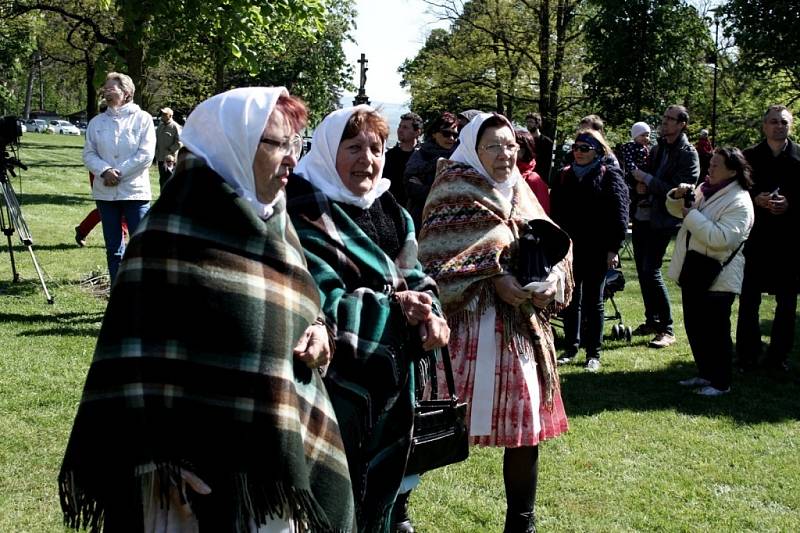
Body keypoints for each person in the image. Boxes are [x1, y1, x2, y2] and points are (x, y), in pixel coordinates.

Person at [60, 87, 355, 532]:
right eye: (276, 144)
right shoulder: (166, 235)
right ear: (230, 145)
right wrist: (161, 458)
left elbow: (302, 296)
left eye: (296, 143)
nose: (292, 158)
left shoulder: (276, 219)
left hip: (270, 462)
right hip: (185, 480)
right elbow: (136, 363)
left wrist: (319, 327)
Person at [286, 105, 450, 532]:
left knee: (380, 498)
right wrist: (394, 308)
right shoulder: (304, 210)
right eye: (353, 147)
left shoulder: (391, 208)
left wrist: (431, 311)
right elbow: (316, 298)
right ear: (325, 151)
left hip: (394, 379)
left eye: (376, 148)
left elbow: (414, 275)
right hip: (336, 384)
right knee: (334, 500)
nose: (368, 159)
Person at [418, 112, 573, 533]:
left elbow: (555, 243)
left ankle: (521, 521)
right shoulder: (452, 188)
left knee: (526, 427)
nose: (505, 154)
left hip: (518, 330)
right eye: (494, 146)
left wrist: (550, 279)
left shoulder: (521, 190)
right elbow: (434, 254)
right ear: (474, 147)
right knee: (429, 424)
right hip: (464, 329)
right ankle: (396, 506)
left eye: (510, 146)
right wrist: (493, 276)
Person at [667, 147, 754, 395]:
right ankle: (705, 374)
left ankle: (721, 383)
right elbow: (676, 210)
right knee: (696, 328)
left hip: (718, 277)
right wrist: (676, 195)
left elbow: (721, 239)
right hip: (694, 271)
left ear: (733, 171)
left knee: (716, 333)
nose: (710, 168)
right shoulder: (706, 190)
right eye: (711, 164)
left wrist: (691, 215)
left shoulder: (739, 201)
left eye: (716, 165)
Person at [551, 129, 629, 372]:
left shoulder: (609, 174)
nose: (578, 152)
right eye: (575, 147)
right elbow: (556, 212)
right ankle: (572, 347)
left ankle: (593, 352)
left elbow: (620, 214)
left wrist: (613, 248)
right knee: (571, 300)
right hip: (571, 248)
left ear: (597, 151)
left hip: (597, 247)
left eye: (584, 148)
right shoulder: (564, 175)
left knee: (595, 301)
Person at [736, 105, 800, 373]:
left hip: (790, 242)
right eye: (773, 122)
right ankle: (748, 354)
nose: (779, 126)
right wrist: (755, 199)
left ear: (791, 126)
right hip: (756, 239)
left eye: (783, 122)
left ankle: (778, 356)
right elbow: (735, 193)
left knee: (786, 302)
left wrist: (791, 204)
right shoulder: (748, 157)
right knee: (749, 299)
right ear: (764, 126)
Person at [631, 105, 700, 348]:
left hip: (665, 219)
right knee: (642, 270)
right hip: (644, 216)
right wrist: (642, 186)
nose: (665, 122)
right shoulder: (659, 147)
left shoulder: (688, 153)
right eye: (665, 118)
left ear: (682, 124)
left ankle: (667, 329)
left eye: (671, 119)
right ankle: (653, 320)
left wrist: (647, 181)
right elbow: (648, 177)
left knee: (652, 269)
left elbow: (681, 190)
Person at [82, 72, 155, 284]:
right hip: (106, 194)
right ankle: (117, 295)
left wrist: (118, 173)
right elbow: (89, 153)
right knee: (113, 250)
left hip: (135, 193)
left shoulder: (143, 119)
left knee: (141, 248)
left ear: (126, 93)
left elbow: (145, 155)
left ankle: (141, 295)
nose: (106, 91)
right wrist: (105, 171)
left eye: (111, 88)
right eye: (105, 88)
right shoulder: (97, 122)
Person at [404, 111, 459, 232]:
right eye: (446, 133)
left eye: (455, 135)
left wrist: (425, 187)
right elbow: (409, 185)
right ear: (434, 133)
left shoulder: (459, 157)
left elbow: (455, 192)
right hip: (421, 218)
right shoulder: (421, 154)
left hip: (451, 221)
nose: (451, 138)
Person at [383, 111, 423, 206]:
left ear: (417, 132)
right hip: (391, 207)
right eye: (399, 126)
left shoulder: (424, 157)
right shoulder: (389, 156)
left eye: (405, 127)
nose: (400, 130)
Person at [620, 121, 652, 217]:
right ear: (635, 136)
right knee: (633, 194)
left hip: (643, 175)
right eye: (642, 135)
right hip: (633, 175)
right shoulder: (631, 147)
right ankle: (631, 212)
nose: (646, 138)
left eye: (647, 135)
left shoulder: (645, 148)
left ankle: (641, 206)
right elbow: (629, 161)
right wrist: (635, 171)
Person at [515, 129, 550, 214]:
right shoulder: (502, 174)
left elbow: (542, 216)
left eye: (512, 146)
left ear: (524, 151)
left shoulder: (534, 180)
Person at [155, 106, 183, 189]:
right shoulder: (160, 126)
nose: (162, 116)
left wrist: (170, 150)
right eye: (162, 114)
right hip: (160, 158)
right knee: (162, 180)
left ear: (170, 116)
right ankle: (163, 199)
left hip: (170, 160)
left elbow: (180, 142)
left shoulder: (175, 127)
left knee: (171, 180)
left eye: (165, 114)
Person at [525, 112, 554, 183]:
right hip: (525, 175)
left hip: (539, 178)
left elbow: (548, 164)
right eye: (527, 122)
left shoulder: (547, 142)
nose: (528, 124)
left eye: (531, 122)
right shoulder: (524, 140)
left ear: (537, 124)